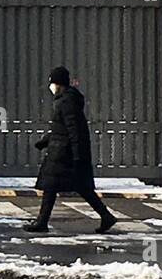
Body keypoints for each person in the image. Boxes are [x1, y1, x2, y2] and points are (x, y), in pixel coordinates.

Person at [25, 66, 117, 234]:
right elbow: (60, 128)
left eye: (53, 82)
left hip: (64, 153)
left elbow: (74, 129)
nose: (51, 86)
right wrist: (45, 141)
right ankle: (105, 216)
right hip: (61, 149)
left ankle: (42, 222)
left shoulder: (66, 102)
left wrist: (77, 155)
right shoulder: (64, 100)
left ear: (58, 83)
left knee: (56, 186)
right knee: (64, 186)